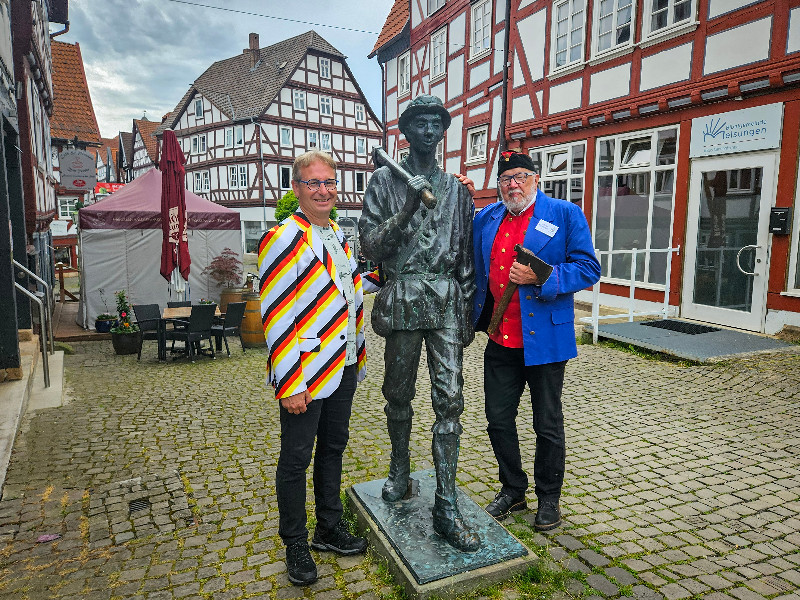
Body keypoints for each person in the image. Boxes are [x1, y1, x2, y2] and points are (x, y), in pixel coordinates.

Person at [359, 95, 479, 552]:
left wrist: (467, 311)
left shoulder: (457, 190)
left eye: (436, 123)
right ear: (406, 132)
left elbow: (466, 256)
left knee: (450, 400)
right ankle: (399, 468)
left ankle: (446, 503)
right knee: (398, 394)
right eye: (420, 123)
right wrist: (407, 206)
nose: (429, 131)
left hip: (446, 301)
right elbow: (371, 248)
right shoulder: (383, 182)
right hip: (404, 296)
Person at [258, 150, 379, 585]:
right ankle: (295, 541)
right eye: (314, 183)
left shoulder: (340, 236)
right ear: (297, 189)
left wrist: (371, 283)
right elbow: (275, 315)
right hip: (306, 371)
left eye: (329, 182)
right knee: (295, 459)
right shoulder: (283, 238)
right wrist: (289, 382)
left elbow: (340, 290)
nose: (324, 190)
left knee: (333, 449)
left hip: (344, 363)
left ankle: (328, 527)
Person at [472, 151, 601, 530]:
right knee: (497, 420)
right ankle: (513, 489)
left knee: (546, 423)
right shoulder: (488, 218)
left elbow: (589, 268)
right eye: (506, 178)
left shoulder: (564, 214)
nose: (513, 184)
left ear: (536, 179)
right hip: (500, 337)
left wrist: (540, 276)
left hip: (544, 339)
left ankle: (549, 498)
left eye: (521, 176)